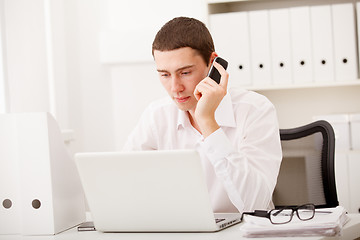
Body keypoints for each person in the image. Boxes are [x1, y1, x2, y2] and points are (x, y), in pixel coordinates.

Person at [123, 16, 282, 213]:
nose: (175, 88)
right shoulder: (157, 115)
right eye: (165, 75)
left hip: (242, 231)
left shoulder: (255, 110)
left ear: (213, 63)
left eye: (185, 72)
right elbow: (126, 184)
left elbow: (255, 204)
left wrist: (207, 122)